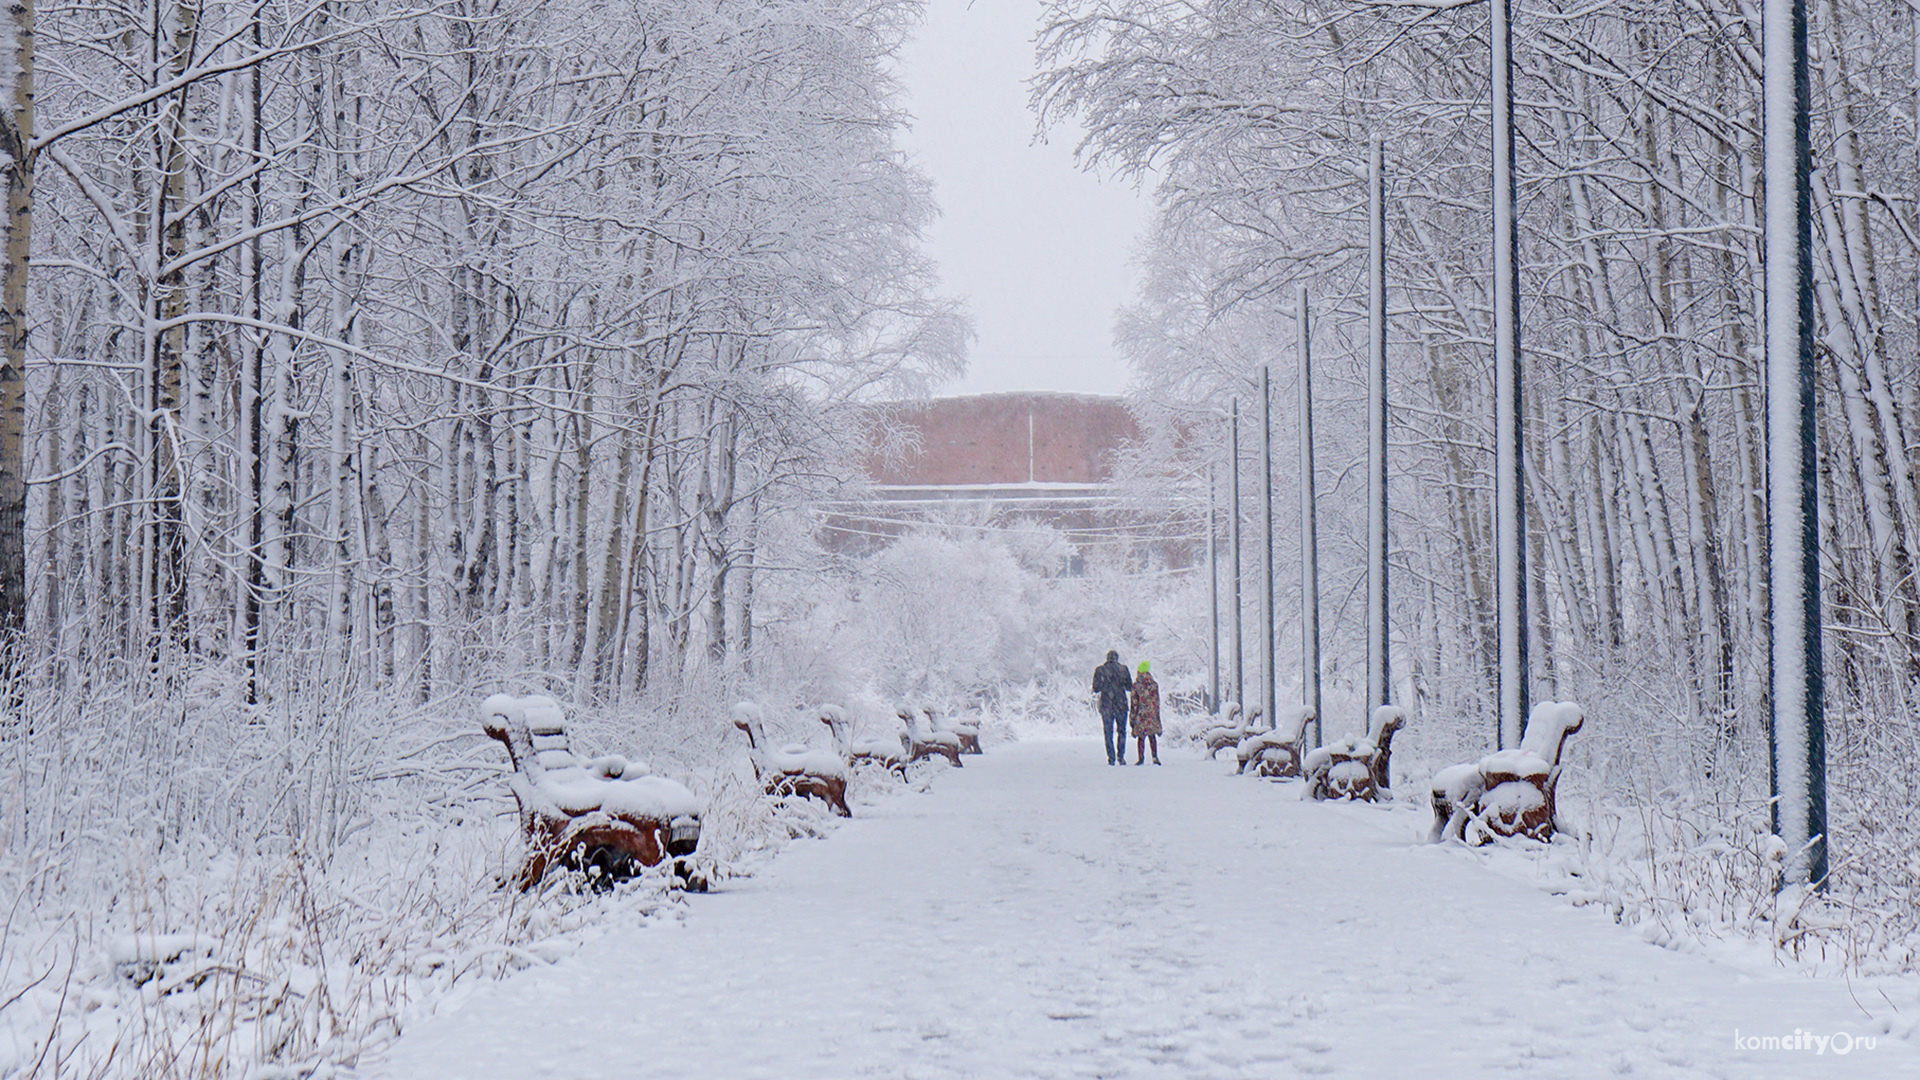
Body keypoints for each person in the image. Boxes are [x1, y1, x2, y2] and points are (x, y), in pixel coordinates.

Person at [1092, 649, 1132, 766]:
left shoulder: (1100, 670)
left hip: (1106, 705)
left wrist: (1106, 685)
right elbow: (1129, 687)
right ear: (1117, 659)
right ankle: (1121, 756)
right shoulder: (1123, 669)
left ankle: (1111, 757)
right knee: (1122, 731)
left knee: (1108, 732)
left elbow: (1096, 688)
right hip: (1121, 705)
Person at [1130, 660, 1162, 765]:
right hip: (1152, 714)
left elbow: (1134, 703)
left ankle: (1141, 758)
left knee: (1141, 737)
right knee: (1152, 735)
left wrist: (1132, 717)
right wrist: (1156, 715)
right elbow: (1157, 702)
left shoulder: (1136, 686)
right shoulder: (1154, 685)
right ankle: (1154, 756)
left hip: (1141, 714)